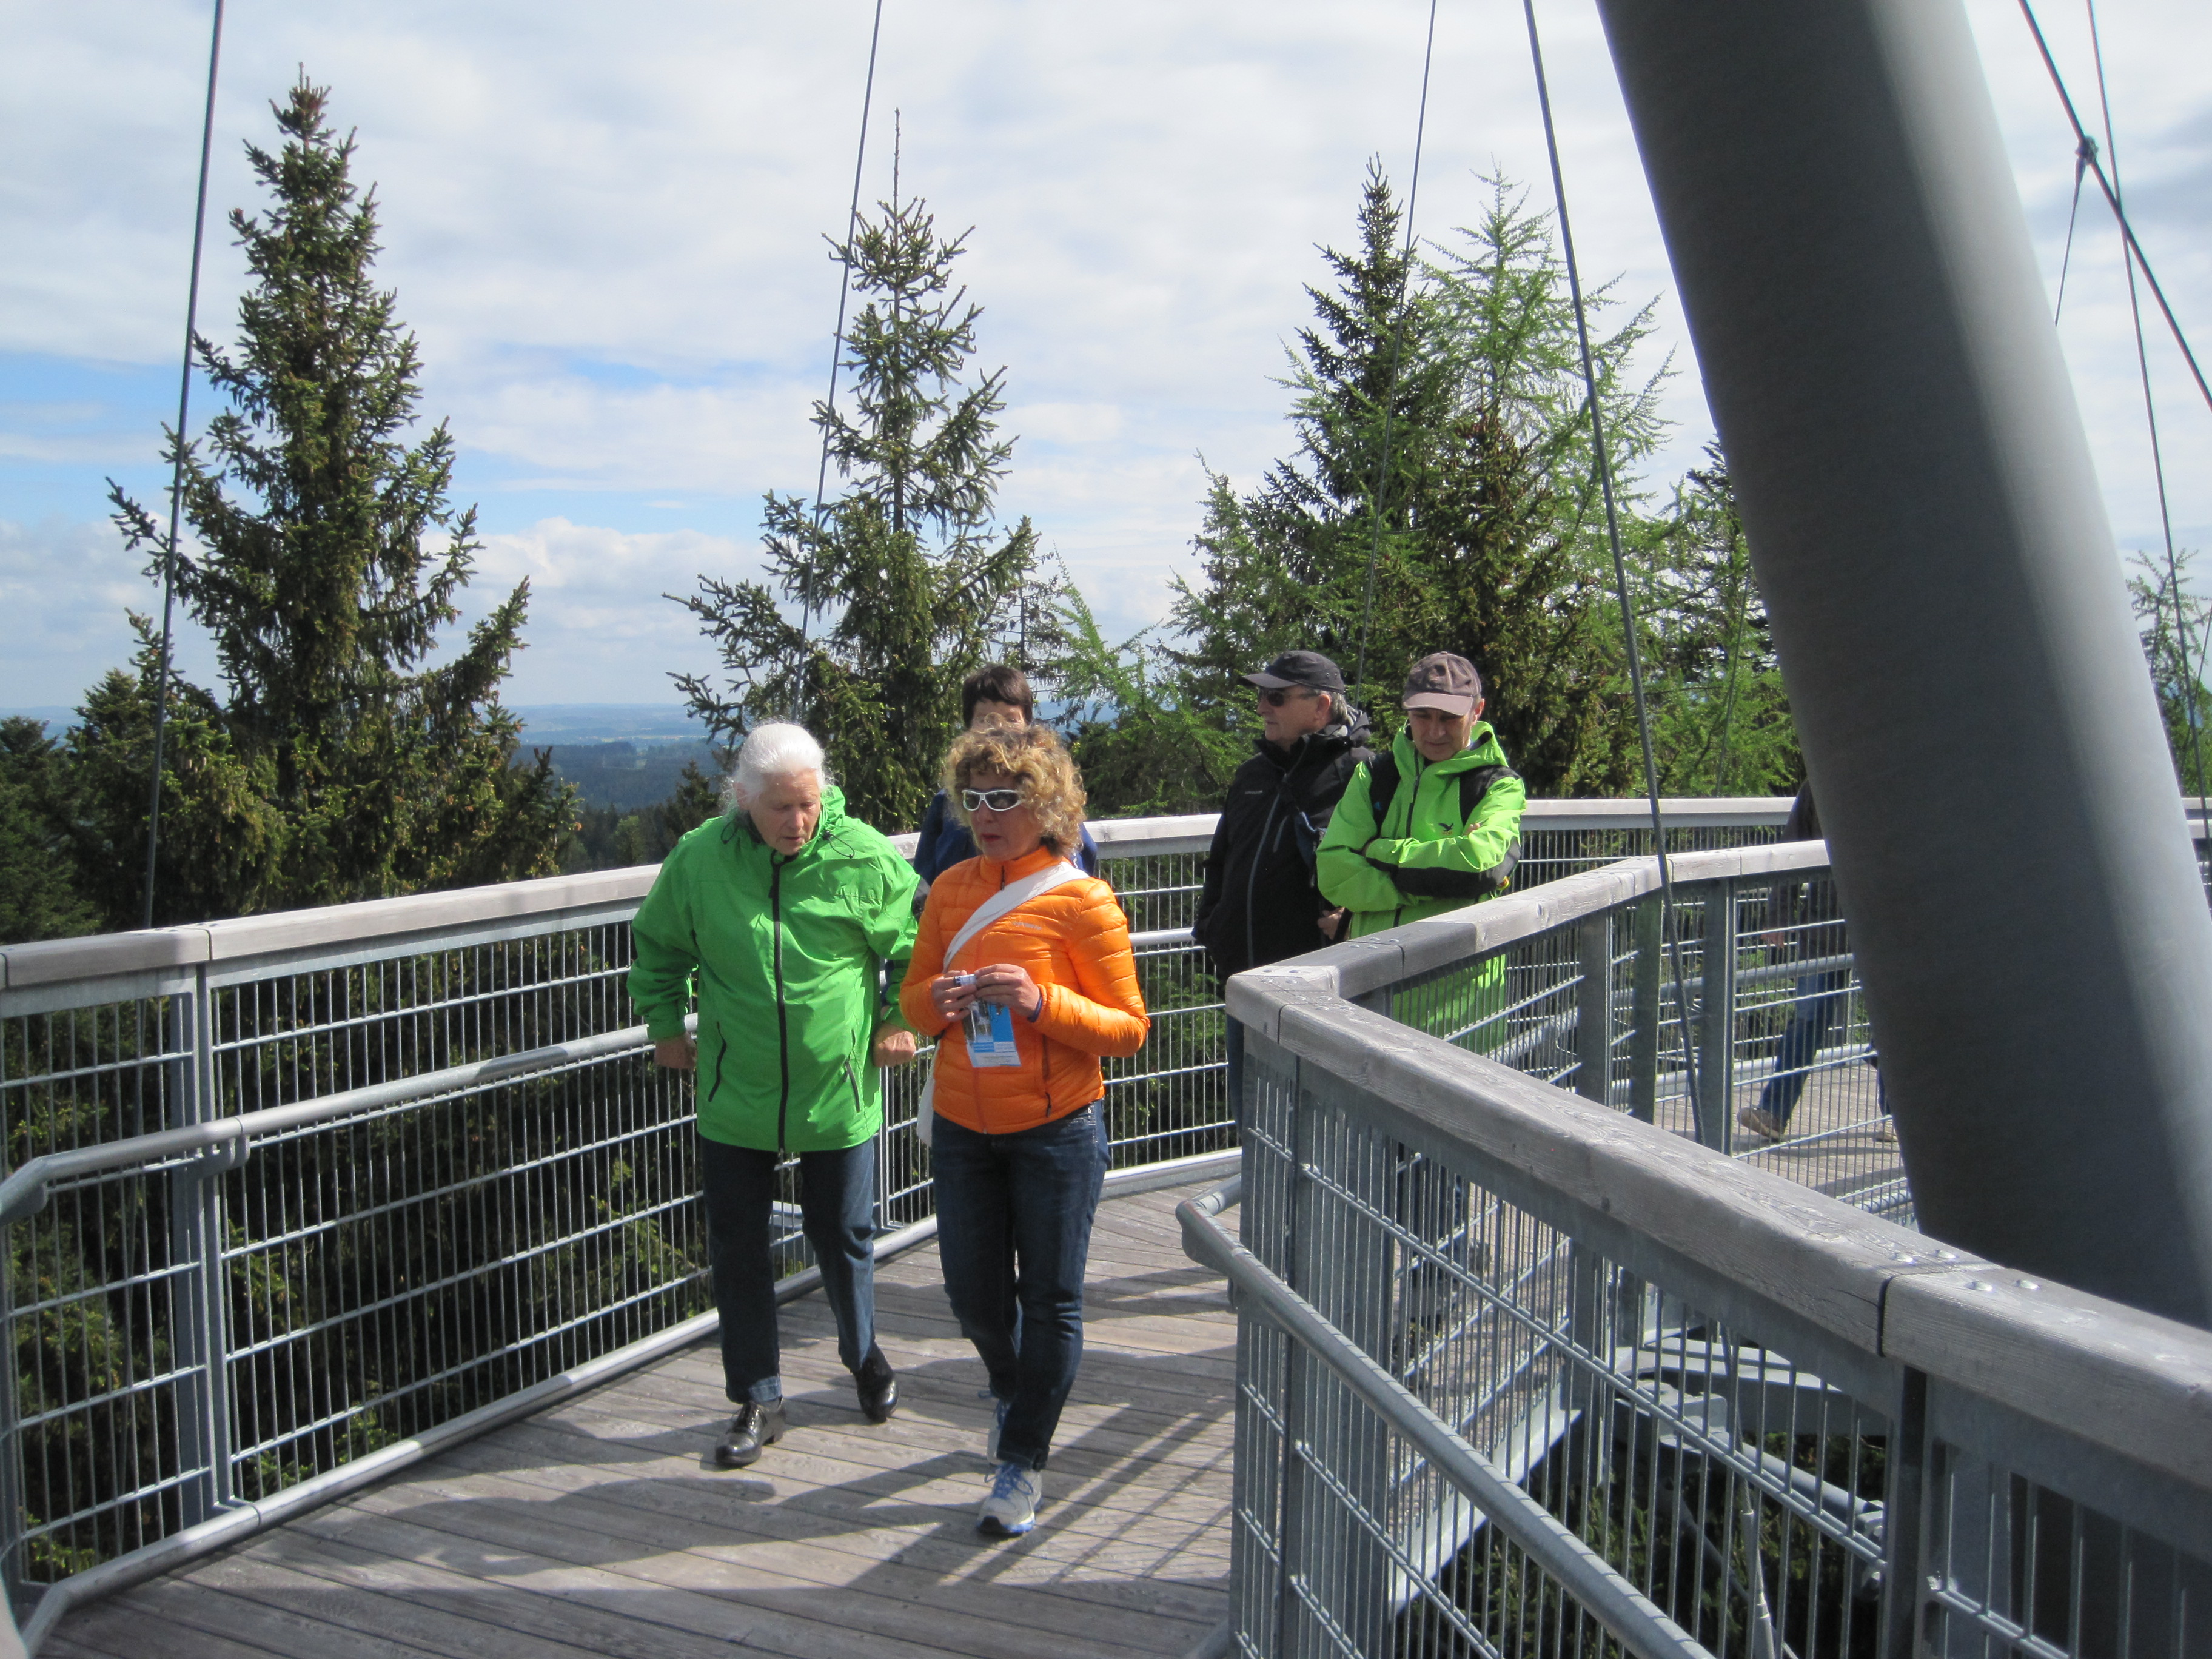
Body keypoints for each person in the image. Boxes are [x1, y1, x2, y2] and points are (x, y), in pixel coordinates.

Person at [629, 723, 920, 1470]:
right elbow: (660, 943)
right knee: (737, 1247)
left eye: (809, 804)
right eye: (781, 808)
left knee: (843, 1233)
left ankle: (863, 1356)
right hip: (736, 1091)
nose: (798, 822)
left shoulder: (864, 856)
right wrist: (665, 1025)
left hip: (837, 1089)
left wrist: (900, 1020)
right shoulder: (701, 858)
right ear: (743, 800)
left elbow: (918, 946)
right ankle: (758, 1397)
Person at [899, 722, 1149, 1538]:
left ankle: (1022, 1461)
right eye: (973, 799)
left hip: (1056, 1130)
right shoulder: (950, 888)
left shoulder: (1083, 900)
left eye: (1005, 798)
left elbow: (1129, 1029)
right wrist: (937, 1002)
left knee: (1050, 1300)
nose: (986, 814)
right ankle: (1015, 1390)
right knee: (972, 1298)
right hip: (963, 1125)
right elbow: (912, 1002)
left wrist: (1043, 1003)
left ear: (1047, 804)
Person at [1192, 649, 1372, 1113]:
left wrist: (1352, 918)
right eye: (1261, 696)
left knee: (1319, 1128)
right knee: (1253, 1120)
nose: (1261, 708)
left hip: (1316, 995)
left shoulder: (1362, 774)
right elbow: (1222, 860)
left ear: (1321, 707)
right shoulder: (1253, 774)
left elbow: (1382, 865)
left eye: (1276, 697)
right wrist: (1211, 927)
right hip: (1246, 984)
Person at [1316, 652, 1527, 942]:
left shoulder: (1500, 785)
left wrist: (1376, 851)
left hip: (1461, 968)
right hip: (1377, 964)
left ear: (1477, 711)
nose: (1435, 731)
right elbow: (1333, 876)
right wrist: (1443, 881)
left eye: (1450, 718)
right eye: (1422, 716)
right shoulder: (1373, 775)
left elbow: (1482, 868)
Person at [1736, 782, 1892, 1142]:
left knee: (1893, 1022)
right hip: (1824, 928)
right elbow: (1793, 848)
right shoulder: (1820, 781)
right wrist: (1779, 913)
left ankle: (1896, 1117)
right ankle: (1773, 1114)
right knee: (1808, 1019)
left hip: (1887, 929)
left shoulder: (1900, 774)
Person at [913, 664, 1100, 883]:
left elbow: (1080, 860)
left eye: (1011, 719)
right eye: (985, 720)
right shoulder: (948, 803)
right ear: (968, 726)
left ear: (1028, 725)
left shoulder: (1049, 800)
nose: (998, 729)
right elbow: (926, 878)